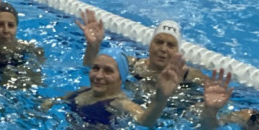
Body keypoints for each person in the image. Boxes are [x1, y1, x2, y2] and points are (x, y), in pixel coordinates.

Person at [44, 47, 186, 130]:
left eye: (108, 71)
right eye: (96, 68)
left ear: (121, 78)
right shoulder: (83, 91)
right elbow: (55, 101)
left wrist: (160, 99)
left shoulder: (119, 103)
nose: (99, 76)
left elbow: (144, 120)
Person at [76, 9, 205, 101]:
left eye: (170, 45)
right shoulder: (131, 64)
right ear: (150, 45)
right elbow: (90, 69)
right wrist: (93, 46)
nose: (163, 49)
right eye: (159, 42)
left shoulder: (190, 75)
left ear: (178, 51)